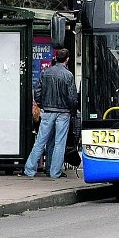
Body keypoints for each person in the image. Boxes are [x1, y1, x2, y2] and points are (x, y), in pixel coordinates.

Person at [21, 49, 78, 179]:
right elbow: (72, 97)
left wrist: (42, 105)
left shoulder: (45, 72)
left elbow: (38, 92)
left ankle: (29, 169)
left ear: (55, 58)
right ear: (67, 59)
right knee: (59, 143)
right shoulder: (68, 75)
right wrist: (72, 111)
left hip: (47, 112)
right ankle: (54, 172)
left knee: (40, 141)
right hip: (63, 113)